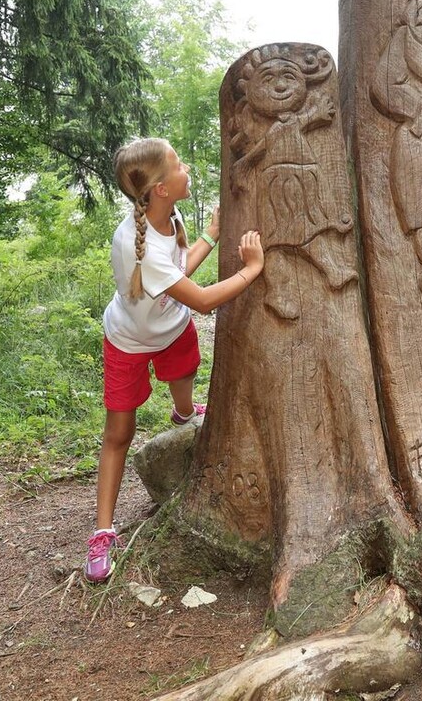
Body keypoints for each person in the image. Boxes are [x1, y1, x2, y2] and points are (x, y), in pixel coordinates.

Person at [84, 137, 263, 583]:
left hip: (172, 328)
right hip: (128, 340)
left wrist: (211, 235)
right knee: (119, 432)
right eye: (179, 165)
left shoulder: (168, 216)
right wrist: (250, 270)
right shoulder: (136, 243)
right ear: (160, 188)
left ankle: (184, 412)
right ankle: (102, 532)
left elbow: (177, 273)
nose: (187, 169)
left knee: (184, 370)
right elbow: (200, 300)